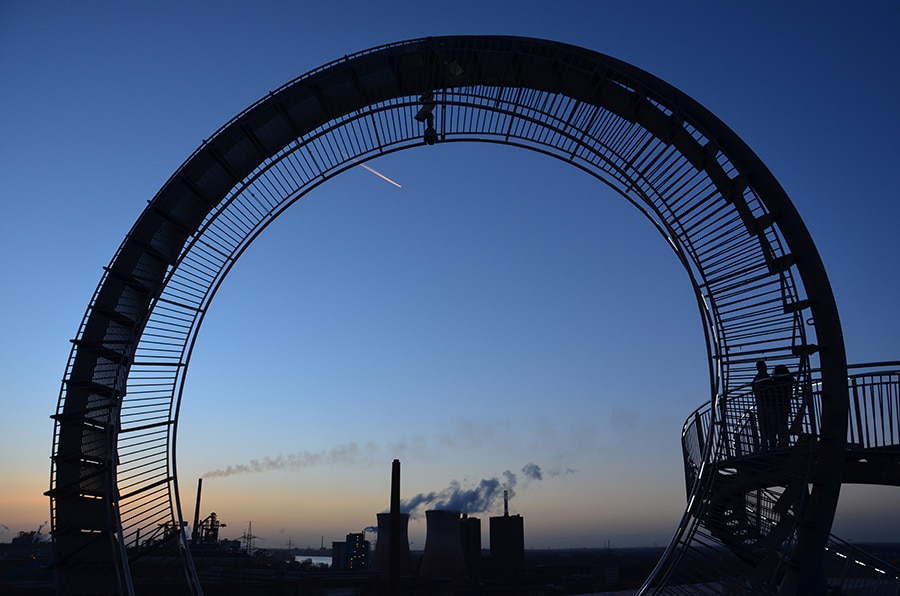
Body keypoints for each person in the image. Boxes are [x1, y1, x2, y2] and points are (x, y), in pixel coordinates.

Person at [752, 361, 776, 452]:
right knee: (771, 428)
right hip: (769, 406)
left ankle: (765, 447)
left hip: (761, 407)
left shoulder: (757, 379)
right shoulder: (767, 378)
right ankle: (772, 446)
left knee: (763, 429)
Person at [771, 364, 795, 448]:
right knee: (783, 425)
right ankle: (783, 442)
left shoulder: (780, 382)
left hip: (780, 405)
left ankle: (782, 443)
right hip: (785, 405)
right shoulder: (788, 380)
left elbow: (781, 394)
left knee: (780, 425)